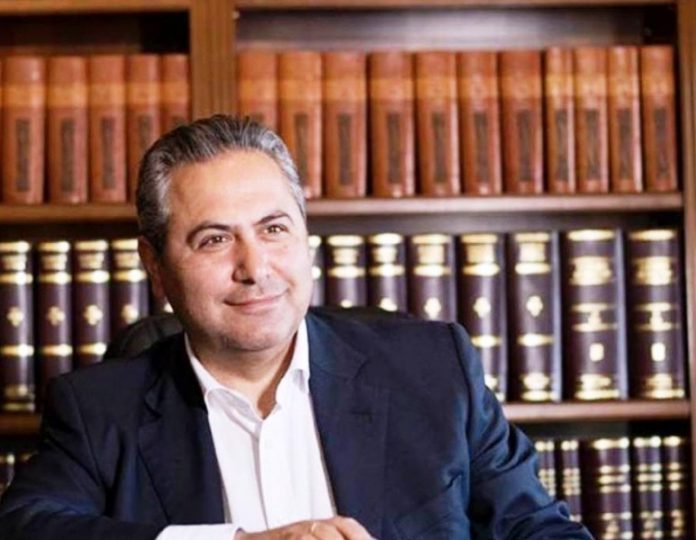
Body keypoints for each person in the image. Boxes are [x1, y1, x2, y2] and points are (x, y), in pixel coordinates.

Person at [0, 115, 592, 539]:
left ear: (306, 236)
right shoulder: (98, 409)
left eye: (274, 229)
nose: (254, 268)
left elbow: (538, 530)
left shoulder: (435, 371)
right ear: (154, 265)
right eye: (214, 239)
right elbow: (26, 527)